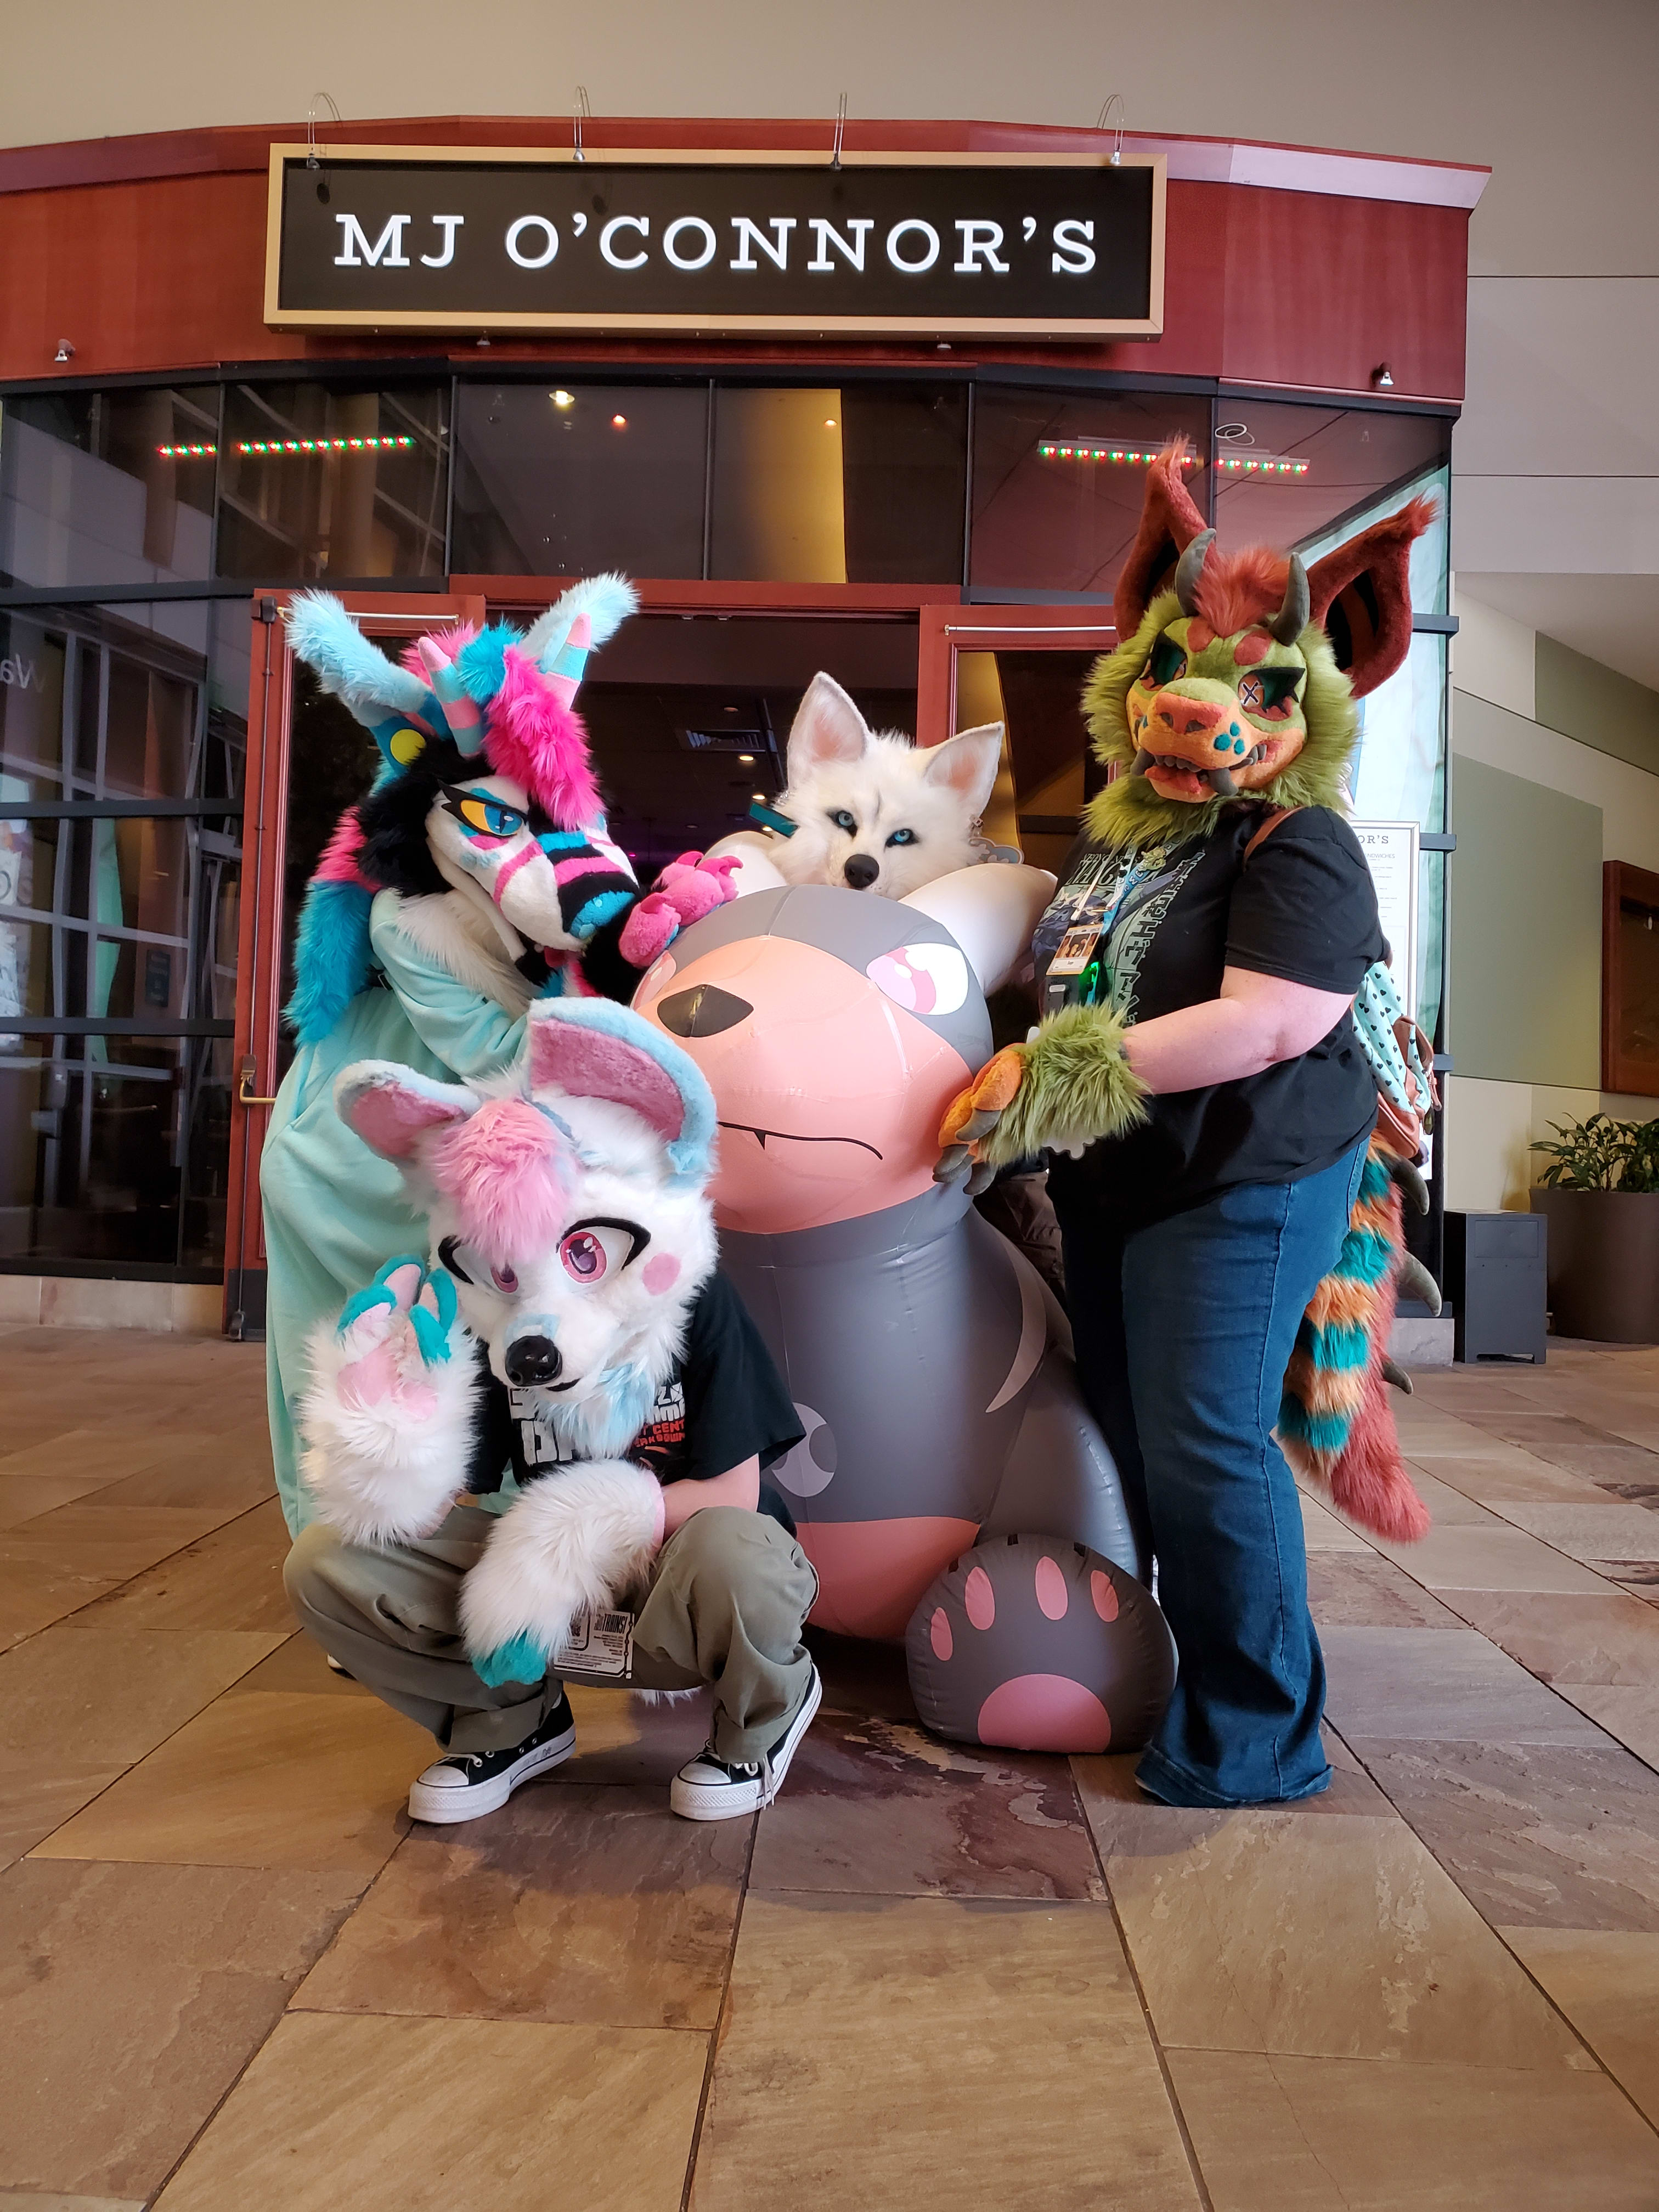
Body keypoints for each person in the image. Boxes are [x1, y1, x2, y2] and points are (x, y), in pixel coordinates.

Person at [937, 449, 1430, 1808]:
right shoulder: (1126, 838)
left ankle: (1257, 1732)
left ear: (1315, 697)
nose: (1196, 702)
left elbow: (1271, 1021)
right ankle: (1166, 1666)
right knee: (1139, 1436)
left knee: (1207, 1440)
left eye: (1258, 684)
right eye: (1173, 665)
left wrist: (1043, 1074)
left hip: (1247, 1178)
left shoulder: (1300, 840)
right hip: (1122, 1184)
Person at [286, 1263, 821, 1824]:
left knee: (730, 1550)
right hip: (555, 1610)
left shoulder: (687, 1289)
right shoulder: (502, 1309)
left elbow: (734, 1495)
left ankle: (761, 1716)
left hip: (686, 1592)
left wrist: (570, 1527)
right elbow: (428, 1517)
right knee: (328, 1561)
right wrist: (388, 1434)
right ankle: (510, 1720)